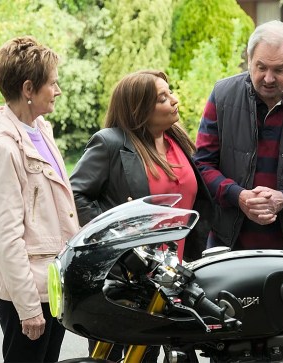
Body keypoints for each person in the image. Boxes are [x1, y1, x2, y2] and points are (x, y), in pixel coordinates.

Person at [69, 70, 212, 361]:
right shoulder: (109, 143)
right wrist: (118, 233)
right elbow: (76, 194)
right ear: (139, 108)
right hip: (126, 279)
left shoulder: (177, 140)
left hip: (174, 277)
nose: (175, 100)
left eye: (171, 92)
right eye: (163, 97)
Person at [0, 36, 80, 362]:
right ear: (28, 89)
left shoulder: (41, 128)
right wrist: (28, 307)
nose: (57, 91)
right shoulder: (3, 147)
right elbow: (6, 235)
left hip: (51, 283)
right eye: (52, 84)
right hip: (27, 293)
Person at [193, 20, 283, 256]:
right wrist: (238, 196)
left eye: (279, 69)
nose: (268, 78)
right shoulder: (222, 96)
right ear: (249, 60)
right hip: (228, 240)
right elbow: (201, 165)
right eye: (261, 67)